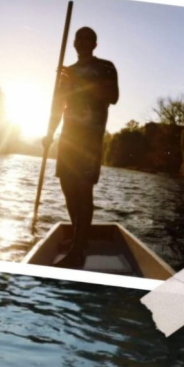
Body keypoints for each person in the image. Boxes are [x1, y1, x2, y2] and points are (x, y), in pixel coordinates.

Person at [42, 27, 118, 268]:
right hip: (68, 138)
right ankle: (78, 238)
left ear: (94, 44)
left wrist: (78, 81)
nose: (82, 42)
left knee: (83, 189)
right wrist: (49, 133)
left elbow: (112, 96)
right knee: (67, 187)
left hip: (90, 138)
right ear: (74, 43)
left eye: (87, 39)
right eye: (79, 38)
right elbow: (58, 106)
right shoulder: (67, 72)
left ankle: (78, 250)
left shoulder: (105, 67)